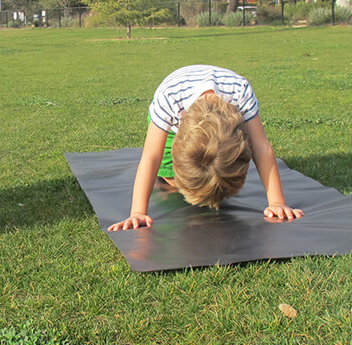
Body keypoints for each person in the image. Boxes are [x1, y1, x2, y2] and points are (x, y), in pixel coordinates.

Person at [108, 65, 303, 231]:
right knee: (171, 180)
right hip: (172, 109)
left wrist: (276, 201)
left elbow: (262, 147)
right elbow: (151, 156)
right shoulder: (169, 100)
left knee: (216, 176)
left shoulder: (240, 92)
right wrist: (138, 212)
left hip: (221, 102)